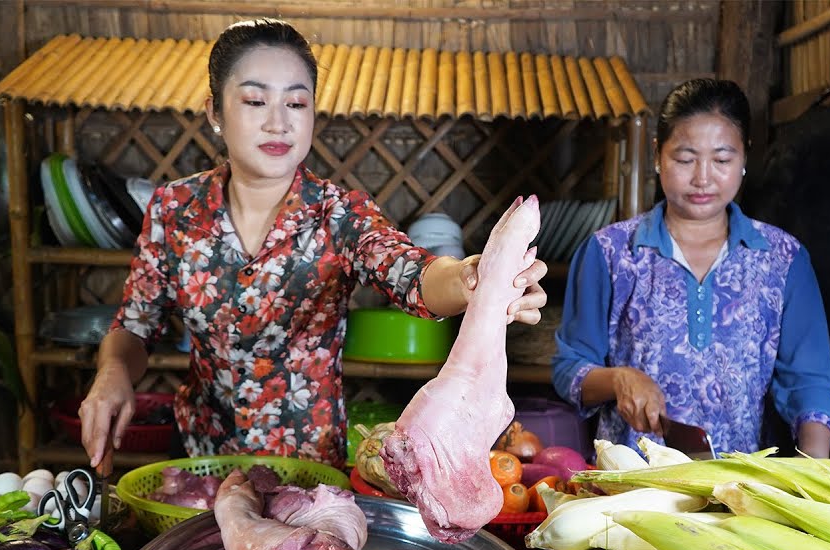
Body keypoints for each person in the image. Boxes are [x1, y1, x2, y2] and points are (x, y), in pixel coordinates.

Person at [79, 19, 548, 475]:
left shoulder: (339, 214)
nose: (278, 122)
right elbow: (136, 324)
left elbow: (413, 275)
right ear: (214, 112)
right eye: (255, 101)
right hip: (201, 463)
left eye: (296, 103)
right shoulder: (174, 208)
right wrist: (112, 371)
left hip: (307, 477)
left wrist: (471, 279)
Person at [551, 78, 830, 458]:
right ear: (658, 155)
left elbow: (809, 383)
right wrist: (618, 379)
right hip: (631, 480)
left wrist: (815, 471)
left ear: (744, 158)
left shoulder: (783, 259)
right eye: (685, 159)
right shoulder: (610, 253)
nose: (703, 178)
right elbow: (569, 369)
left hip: (740, 482)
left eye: (722, 160)